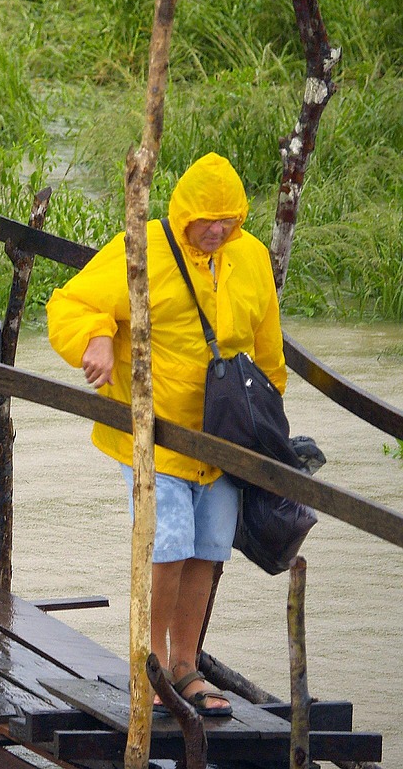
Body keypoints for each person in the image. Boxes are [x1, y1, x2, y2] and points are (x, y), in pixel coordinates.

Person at [46, 152, 285, 718]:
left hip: (222, 438)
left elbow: (268, 344)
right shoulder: (145, 247)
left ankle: (186, 666)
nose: (218, 229)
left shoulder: (248, 257)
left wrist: (269, 416)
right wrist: (96, 338)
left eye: (228, 219)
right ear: (183, 215)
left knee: (207, 547)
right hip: (152, 433)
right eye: (208, 219)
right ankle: (150, 665)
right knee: (169, 539)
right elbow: (71, 302)